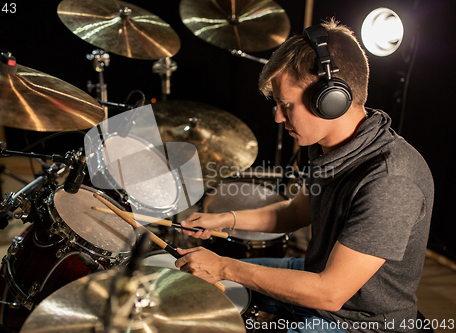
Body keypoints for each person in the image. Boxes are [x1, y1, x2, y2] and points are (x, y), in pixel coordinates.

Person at [175, 19, 434, 333]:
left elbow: (330, 293)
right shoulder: (327, 145)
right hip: (316, 275)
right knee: (190, 286)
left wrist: (224, 266)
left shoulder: (391, 181)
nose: (277, 116)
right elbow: (297, 211)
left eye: (286, 105)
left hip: (360, 320)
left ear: (331, 100)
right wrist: (225, 220)